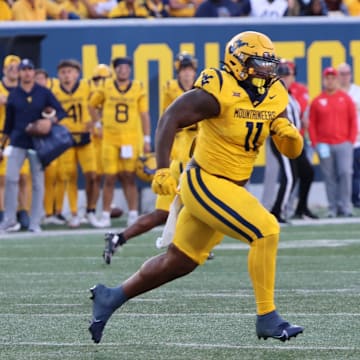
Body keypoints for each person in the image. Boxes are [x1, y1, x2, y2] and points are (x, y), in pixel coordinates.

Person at [88, 31, 304, 344]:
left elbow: (291, 150)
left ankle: (111, 297)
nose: (267, 71)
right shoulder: (217, 88)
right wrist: (162, 168)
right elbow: (170, 118)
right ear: (239, 62)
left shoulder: (275, 93)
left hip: (231, 188)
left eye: (270, 64)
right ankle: (267, 316)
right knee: (266, 230)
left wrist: (288, 134)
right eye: (260, 63)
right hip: (205, 181)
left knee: (180, 261)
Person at [101, 52, 205, 264]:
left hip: (189, 155)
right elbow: (171, 121)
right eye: (183, 70)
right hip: (184, 158)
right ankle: (195, 244)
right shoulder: (175, 90)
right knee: (198, 206)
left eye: (190, 70)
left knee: (163, 213)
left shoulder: (202, 90)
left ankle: (119, 237)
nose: (187, 74)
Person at [0, 58, 66, 233]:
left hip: (38, 143)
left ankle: (35, 222)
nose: (27, 73)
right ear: (20, 72)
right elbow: (8, 122)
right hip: (18, 140)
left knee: (37, 182)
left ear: (33, 72)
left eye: (30, 69)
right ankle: (9, 219)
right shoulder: (14, 94)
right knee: (11, 178)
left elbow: (60, 111)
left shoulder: (43, 92)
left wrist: (50, 122)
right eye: (24, 69)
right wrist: (2, 143)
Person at [88, 56, 151, 228]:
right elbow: (92, 105)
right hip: (110, 138)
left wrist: (146, 138)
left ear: (130, 70)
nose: (123, 70)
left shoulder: (138, 87)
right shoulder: (106, 86)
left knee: (129, 177)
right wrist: (97, 124)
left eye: (126, 67)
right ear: (115, 70)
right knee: (109, 178)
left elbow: (144, 114)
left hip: (130, 139)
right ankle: (106, 215)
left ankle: (132, 214)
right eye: (120, 67)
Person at [51, 59, 100, 228]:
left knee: (92, 175)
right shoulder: (55, 90)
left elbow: (98, 104)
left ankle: (91, 211)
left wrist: (95, 121)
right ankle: (74, 213)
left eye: (70, 71)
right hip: (66, 138)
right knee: (69, 176)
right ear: (58, 75)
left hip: (85, 136)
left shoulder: (87, 86)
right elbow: (48, 111)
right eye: (63, 72)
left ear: (77, 73)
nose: (67, 75)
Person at [309, 66, 357, 217]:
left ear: (337, 80)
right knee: (329, 176)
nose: (330, 81)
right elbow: (312, 123)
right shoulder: (317, 101)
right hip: (324, 144)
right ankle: (332, 207)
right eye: (327, 78)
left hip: (344, 143)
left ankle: (346, 206)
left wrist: (350, 140)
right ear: (324, 81)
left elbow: (353, 120)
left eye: (333, 78)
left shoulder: (346, 99)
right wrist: (315, 142)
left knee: (345, 173)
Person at [0, 55, 32, 229]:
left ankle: (23, 211)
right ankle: (4, 213)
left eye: (16, 68)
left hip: (20, 136)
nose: (14, 71)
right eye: (10, 68)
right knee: (3, 178)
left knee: (24, 176)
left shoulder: (25, 89)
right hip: (3, 137)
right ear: (4, 70)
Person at [337, 62, 360, 208]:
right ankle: (348, 200)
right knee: (346, 172)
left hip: (358, 138)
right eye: (342, 73)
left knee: (356, 172)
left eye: (347, 73)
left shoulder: (357, 91)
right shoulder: (335, 93)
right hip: (341, 139)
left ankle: (355, 199)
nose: (345, 76)